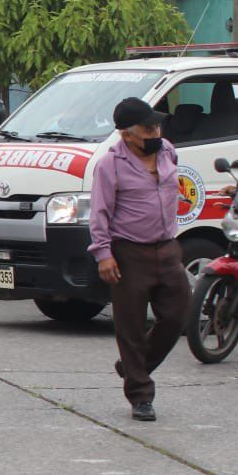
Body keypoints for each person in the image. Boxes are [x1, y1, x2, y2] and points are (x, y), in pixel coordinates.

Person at [88, 97, 190, 423]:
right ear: (127, 134)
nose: (156, 132)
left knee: (178, 314)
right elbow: (100, 213)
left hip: (168, 246)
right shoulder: (110, 164)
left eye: (157, 125)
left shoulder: (167, 151)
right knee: (130, 326)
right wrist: (103, 254)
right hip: (129, 252)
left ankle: (132, 367)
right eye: (148, 128)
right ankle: (141, 395)